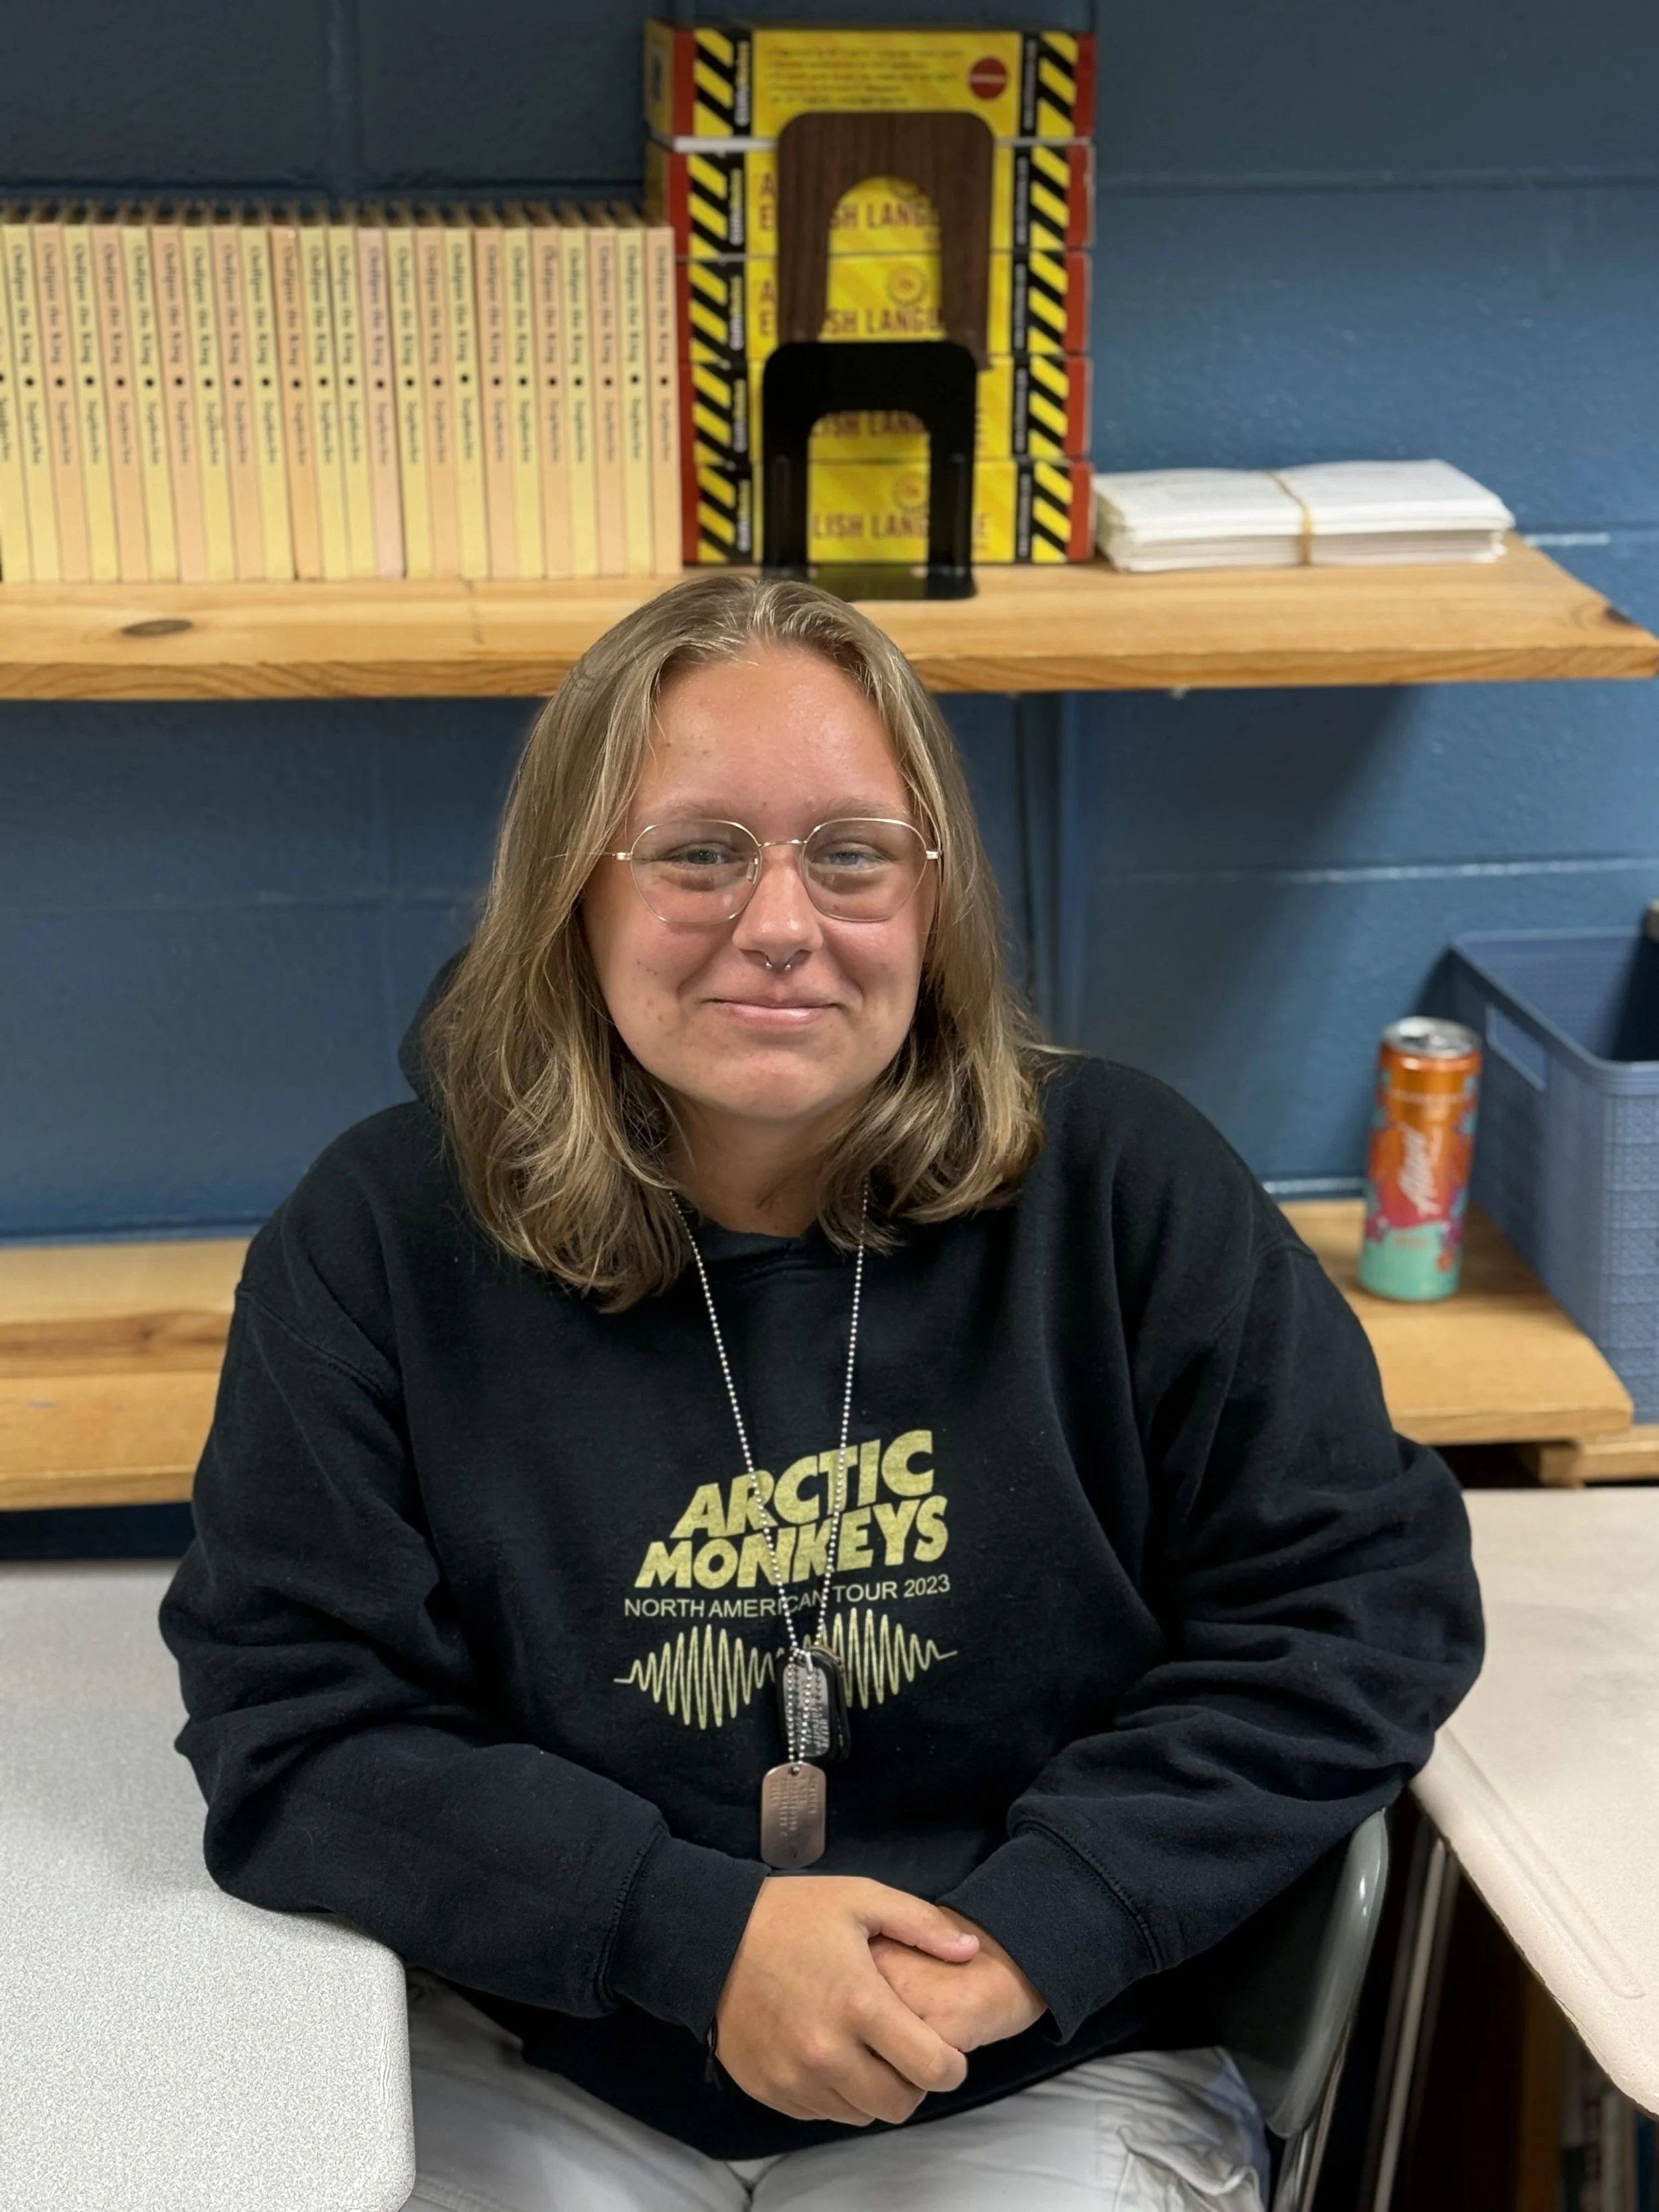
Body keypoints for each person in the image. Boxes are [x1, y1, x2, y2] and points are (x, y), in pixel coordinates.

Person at [159, 571, 1483, 2212]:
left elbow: (1358, 1606)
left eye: (850, 853)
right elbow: (295, 1721)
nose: (778, 924)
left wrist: (1032, 1929)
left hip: (1030, 2064)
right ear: (574, 890)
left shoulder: (1126, 1193)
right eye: (699, 851)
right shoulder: (375, 1241)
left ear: (932, 896)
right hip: (546, 2054)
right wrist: (688, 1935)